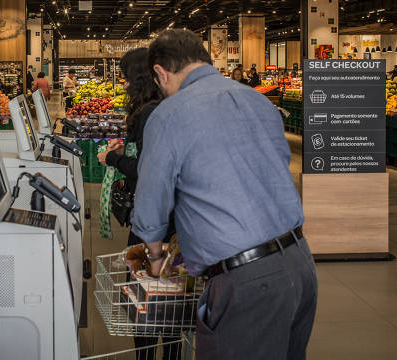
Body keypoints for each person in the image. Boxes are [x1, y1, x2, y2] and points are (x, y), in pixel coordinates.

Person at [131, 30, 317, 360]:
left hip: (247, 283)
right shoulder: (257, 100)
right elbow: (275, 166)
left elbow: (152, 197)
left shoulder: (169, 115)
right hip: (300, 264)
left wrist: (157, 256)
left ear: (161, 72)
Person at [96, 48, 177, 360]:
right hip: (173, 221)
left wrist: (112, 158)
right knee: (172, 302)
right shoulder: (164, 107)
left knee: (143, 300)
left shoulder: (147, 114)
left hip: (150, 222)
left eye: (125, 75)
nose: (123, 82)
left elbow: (146, 169)